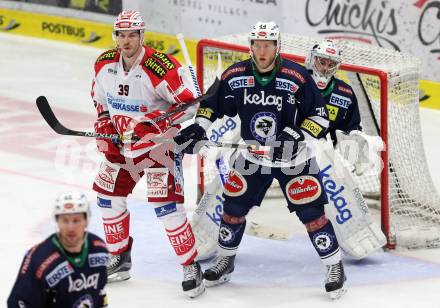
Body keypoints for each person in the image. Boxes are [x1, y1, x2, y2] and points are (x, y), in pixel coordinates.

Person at [174, 22, 347, 299]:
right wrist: (199, 127)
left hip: (295, 159)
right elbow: (210, 105)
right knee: (232, 209)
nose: (262, 50)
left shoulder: (297, 75)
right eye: (257, 44)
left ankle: (334, 266)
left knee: (313, 216)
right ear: (251, 46)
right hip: (253, 156)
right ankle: (225, 260)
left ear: (277, 47)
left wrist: (298, 134)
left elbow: (320, 116)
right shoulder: (234, 74)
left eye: (267, 45)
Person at [91, 10, 204, 298]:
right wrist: (104, 120)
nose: (126, 41)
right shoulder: (104, 64)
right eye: (121, 35)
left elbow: (190, 105)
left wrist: (156, 123)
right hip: (121, 145)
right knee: (107, 198)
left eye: (132, 35)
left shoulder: (160, 66)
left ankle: (191, 266)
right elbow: (100, 99)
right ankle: (120, 257)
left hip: (159, 148)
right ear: (115, 36)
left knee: (167, 210)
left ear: (142, 36)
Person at [7, 192, 109, 307]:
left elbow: (100, 294)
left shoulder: (99, 250)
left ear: (86, 220)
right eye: (65, 220)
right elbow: (18, 302)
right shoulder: (39, 258)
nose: (71, 227)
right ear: (57, 221)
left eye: (76, 220)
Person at [305, 39, 361, 142]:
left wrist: (354, 138)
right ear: (312, 59)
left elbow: (351, 127)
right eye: (322, 62)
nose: (326, 68)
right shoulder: (299, 80)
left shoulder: (345, 93)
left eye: (331, 65)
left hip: (324, 151)